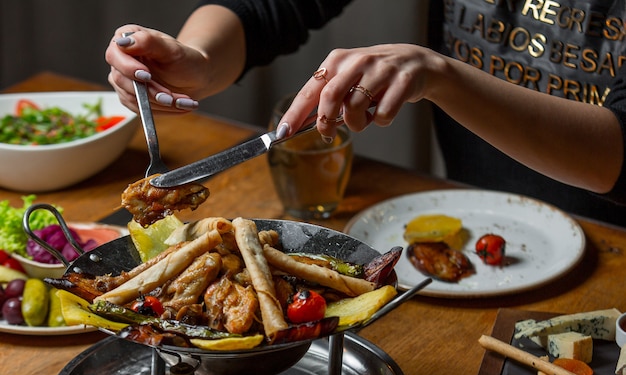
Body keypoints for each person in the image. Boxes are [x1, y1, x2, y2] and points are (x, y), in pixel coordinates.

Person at [105, 1, 626, 226]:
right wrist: (194, 60)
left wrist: (440, 75)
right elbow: (265, 9)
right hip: (482, 222)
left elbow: (616, 155)